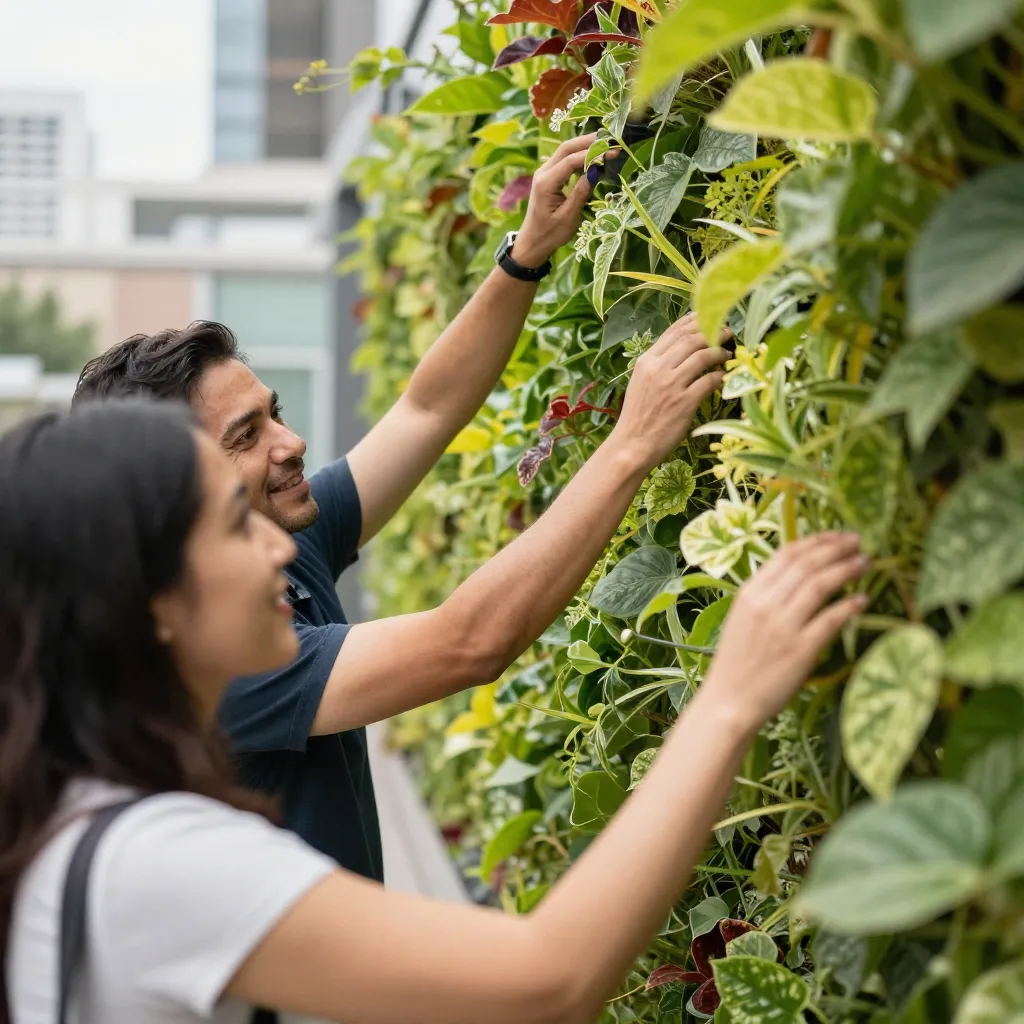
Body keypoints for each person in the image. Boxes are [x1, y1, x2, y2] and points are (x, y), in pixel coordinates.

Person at [2, 400, 869, 1024]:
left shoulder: (81, 819)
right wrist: (728, 701)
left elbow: (426, 404)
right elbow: (550, 980)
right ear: (149, 598)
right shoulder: (159, 863)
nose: (277, 545)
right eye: (235, 526)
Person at [72, 132, 732, 878]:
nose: (290, 443)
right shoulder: (206, 657)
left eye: (276, 412)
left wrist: (527, 254)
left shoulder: (280, 541)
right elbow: (470, 642)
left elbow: (425, 410)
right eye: (247, 435)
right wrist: (630, 444)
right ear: (169, 481)